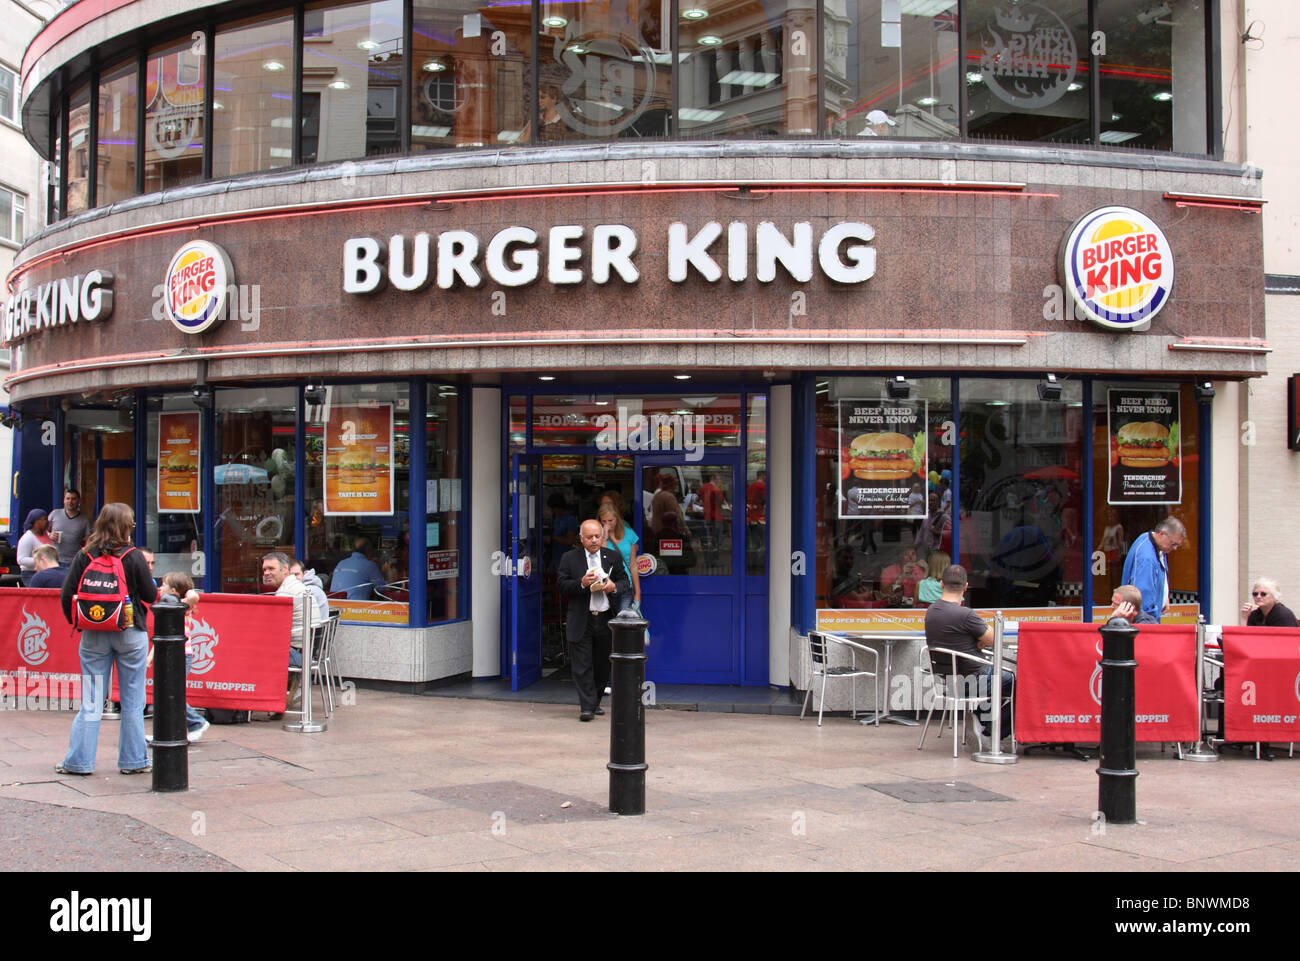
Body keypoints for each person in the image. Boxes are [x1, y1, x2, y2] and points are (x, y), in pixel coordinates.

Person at [55, 503, 157, 776]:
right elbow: (149, 595)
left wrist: (80, 623)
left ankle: (78, 762)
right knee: (133, 700)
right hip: (129, 631)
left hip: (94, 635)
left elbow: (66, 595)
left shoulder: (85, 555)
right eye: (132, 522)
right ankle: (134, 762)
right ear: (125, 526)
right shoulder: (133, 556)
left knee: (91, 700)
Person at [924, 564, 1011, 737]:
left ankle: (981, 716)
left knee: (999, 680)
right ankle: (992, 729)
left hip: (949, 682)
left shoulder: (931, 611)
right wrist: (980, 641)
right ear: (965, 587)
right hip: (972, 680)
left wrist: (977, 640)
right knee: (1014, 680)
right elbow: (995, 639)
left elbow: (959, 639)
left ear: (941, 584)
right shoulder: (965, 615)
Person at [556, 519, 628, 721]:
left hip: (605, 617)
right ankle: (586, 707)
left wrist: (613, 586)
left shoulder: (612, 557)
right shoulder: (570, 558)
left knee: (602, 665)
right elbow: (561, 585)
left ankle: (595, 701)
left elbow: (625, 582)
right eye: (589, 537)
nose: (594, 540)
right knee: (582, 665)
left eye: (597, 536)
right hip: (582, 618)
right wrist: (581, 583)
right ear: (581, 538)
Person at [157, 571, 209, 742]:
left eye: (164, 584)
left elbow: (194, 595)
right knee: (169, 692)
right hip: (173, 654)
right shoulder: (168, 604)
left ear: (173, 591)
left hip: (181, 655)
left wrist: (186, 598)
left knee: (173, 693)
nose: (160, 587)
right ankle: (175, 730)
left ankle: (196, 722)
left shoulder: (180, 606)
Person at [262, 551, 308, 715]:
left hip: (295, 655)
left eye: (271, 569)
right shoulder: (295, 586)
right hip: (304, 651)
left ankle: (257, 701)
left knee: (248, 651)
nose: (266, 573)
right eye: (264, 569)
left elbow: (273, 632)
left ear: (285, 569)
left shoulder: (285, 593)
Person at [1120, 516, 1185, 623]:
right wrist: (1150, 622)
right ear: (1162, 534)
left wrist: (1164, 597)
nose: (1175, 548)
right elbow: (1142, 598)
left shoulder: (1152, 541)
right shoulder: (1146, 558)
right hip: (1144, 620)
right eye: (1173, 544)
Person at [598, 503, 640, 614]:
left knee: (622, 622)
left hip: (625, 584)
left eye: (610, 520)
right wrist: (604, 538)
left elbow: (633, 565)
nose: (607, 524)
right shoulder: (598, 536)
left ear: (617, 518)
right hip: (605, 586)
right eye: (604, 521)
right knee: (607, 624)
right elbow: (602, 560)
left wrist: (638, 593)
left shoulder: (630, 534)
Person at [49, 489, 91, 569]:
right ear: (64, 500)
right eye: (68, 498)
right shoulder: (55, 514)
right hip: (54, 559)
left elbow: (88, 540)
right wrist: (49, 535)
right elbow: (44, 531)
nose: (70, 501)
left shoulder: (84, 520)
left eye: (73, 499)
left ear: (78, 501)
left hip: (74, 561)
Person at [17, 508, 53, 584]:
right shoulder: (28, 538)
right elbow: (20, 559)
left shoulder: (47, 534)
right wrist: (41, 561)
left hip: (46, 572)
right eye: (44, 519)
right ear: (36, 522)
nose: (47, 522)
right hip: (30, 574)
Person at [290, 558, 330, 625]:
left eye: (296, 574)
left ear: (304, 573)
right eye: (290, 575)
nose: (293, 578)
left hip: (312, 632)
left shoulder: (309, 590)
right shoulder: (298, 588)